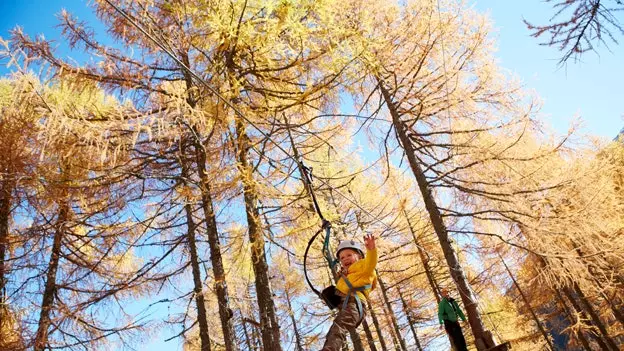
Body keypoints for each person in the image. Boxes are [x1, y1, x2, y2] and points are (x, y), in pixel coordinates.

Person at [321, 234, 378, 351]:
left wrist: (371, 249)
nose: (345, 259)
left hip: (354, 305)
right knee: (335, 330)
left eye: (349, 255)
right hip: (347, 304)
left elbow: (371, 262)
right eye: (341, 258)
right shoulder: (345, 276)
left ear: (359, 256)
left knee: (339, 328)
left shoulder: (364, 267)